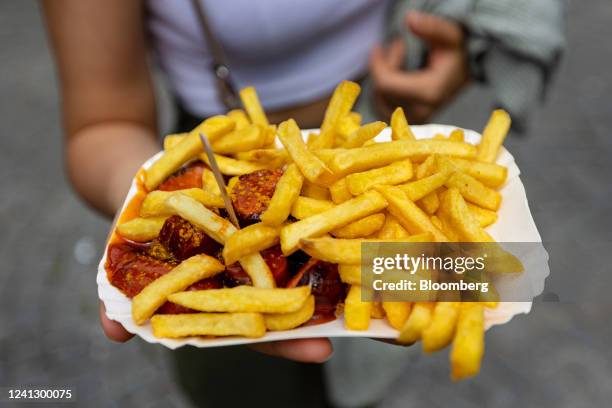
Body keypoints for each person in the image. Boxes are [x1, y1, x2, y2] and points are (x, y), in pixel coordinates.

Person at [42, 0, 564, 406]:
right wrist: (150, 201)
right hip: (208, 158)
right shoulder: (189, 186)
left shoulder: (402, 179)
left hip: (371, 142)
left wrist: (450, 53)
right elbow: (101, 123)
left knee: (396, 349)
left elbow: (495, 273)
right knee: (240, 392)